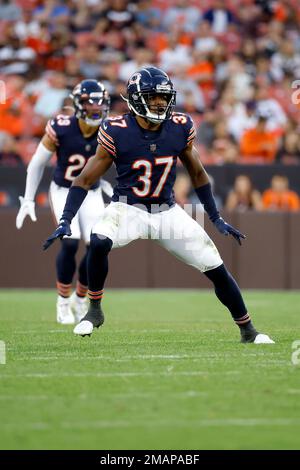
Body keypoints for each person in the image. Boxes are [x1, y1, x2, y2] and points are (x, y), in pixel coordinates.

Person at [44, 67, 274, 344]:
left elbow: (198, 174)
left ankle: (248, 330)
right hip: (127, 208)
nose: (160, 103)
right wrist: (66, 218)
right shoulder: (117, 130)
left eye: (163, 97)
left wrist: (216, 218)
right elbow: (83, 179)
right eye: (153, 97)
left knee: (214, 265)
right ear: (137, 98)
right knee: (98, 239)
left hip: (168, 212)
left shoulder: (179, 126)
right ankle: (94, 310)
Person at [16, 79, 113, 325]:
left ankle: (80, 298)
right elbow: (37, 162)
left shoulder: (110, 129)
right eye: (90, 104)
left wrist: (112, 186)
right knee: (69, 243)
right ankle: (62, 301)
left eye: (100, 103)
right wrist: (28, 199)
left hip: (90, 192)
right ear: (78, 105)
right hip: (63, 190)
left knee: (97, 246)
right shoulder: (61, 126)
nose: (96, 108)